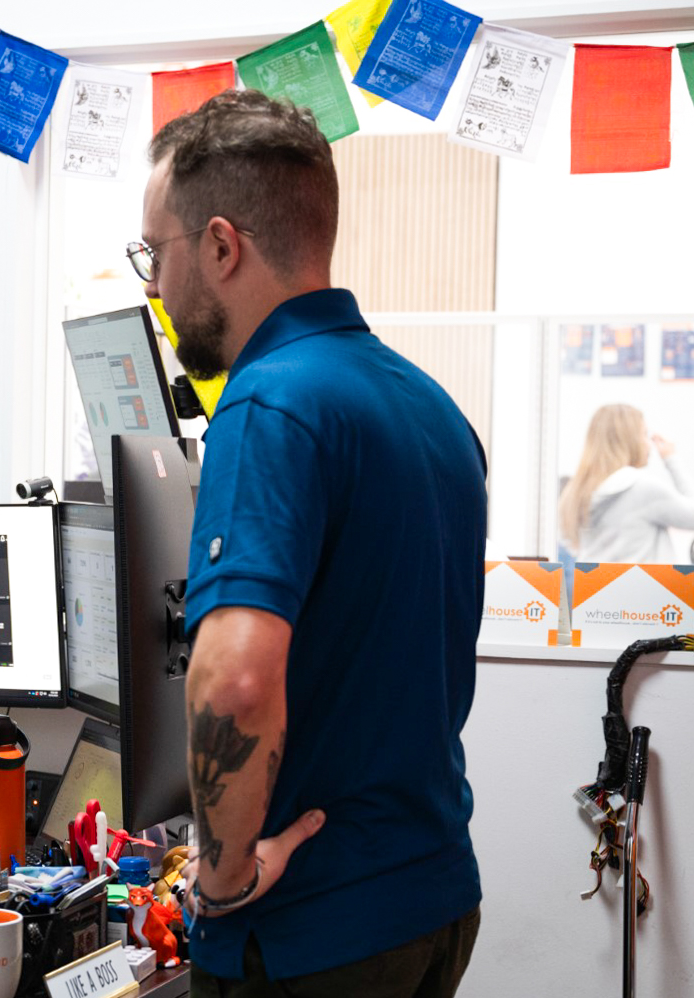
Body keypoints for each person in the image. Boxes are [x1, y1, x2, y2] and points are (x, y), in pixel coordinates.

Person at [136, 90, 485, 996]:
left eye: (156, 254)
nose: (154, 286)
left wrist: (219, 876)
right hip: (430, 899)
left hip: (307, 931)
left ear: (220, 246)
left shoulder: (268, 403)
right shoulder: (429, 405)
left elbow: (236, 680)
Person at [559, 403, 694, 563]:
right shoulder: (643, 489)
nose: (648, 443)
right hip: (642, 586)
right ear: (629, 440)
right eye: (644, 435)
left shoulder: (577, 493)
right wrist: (671, 459)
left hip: (595, 587)